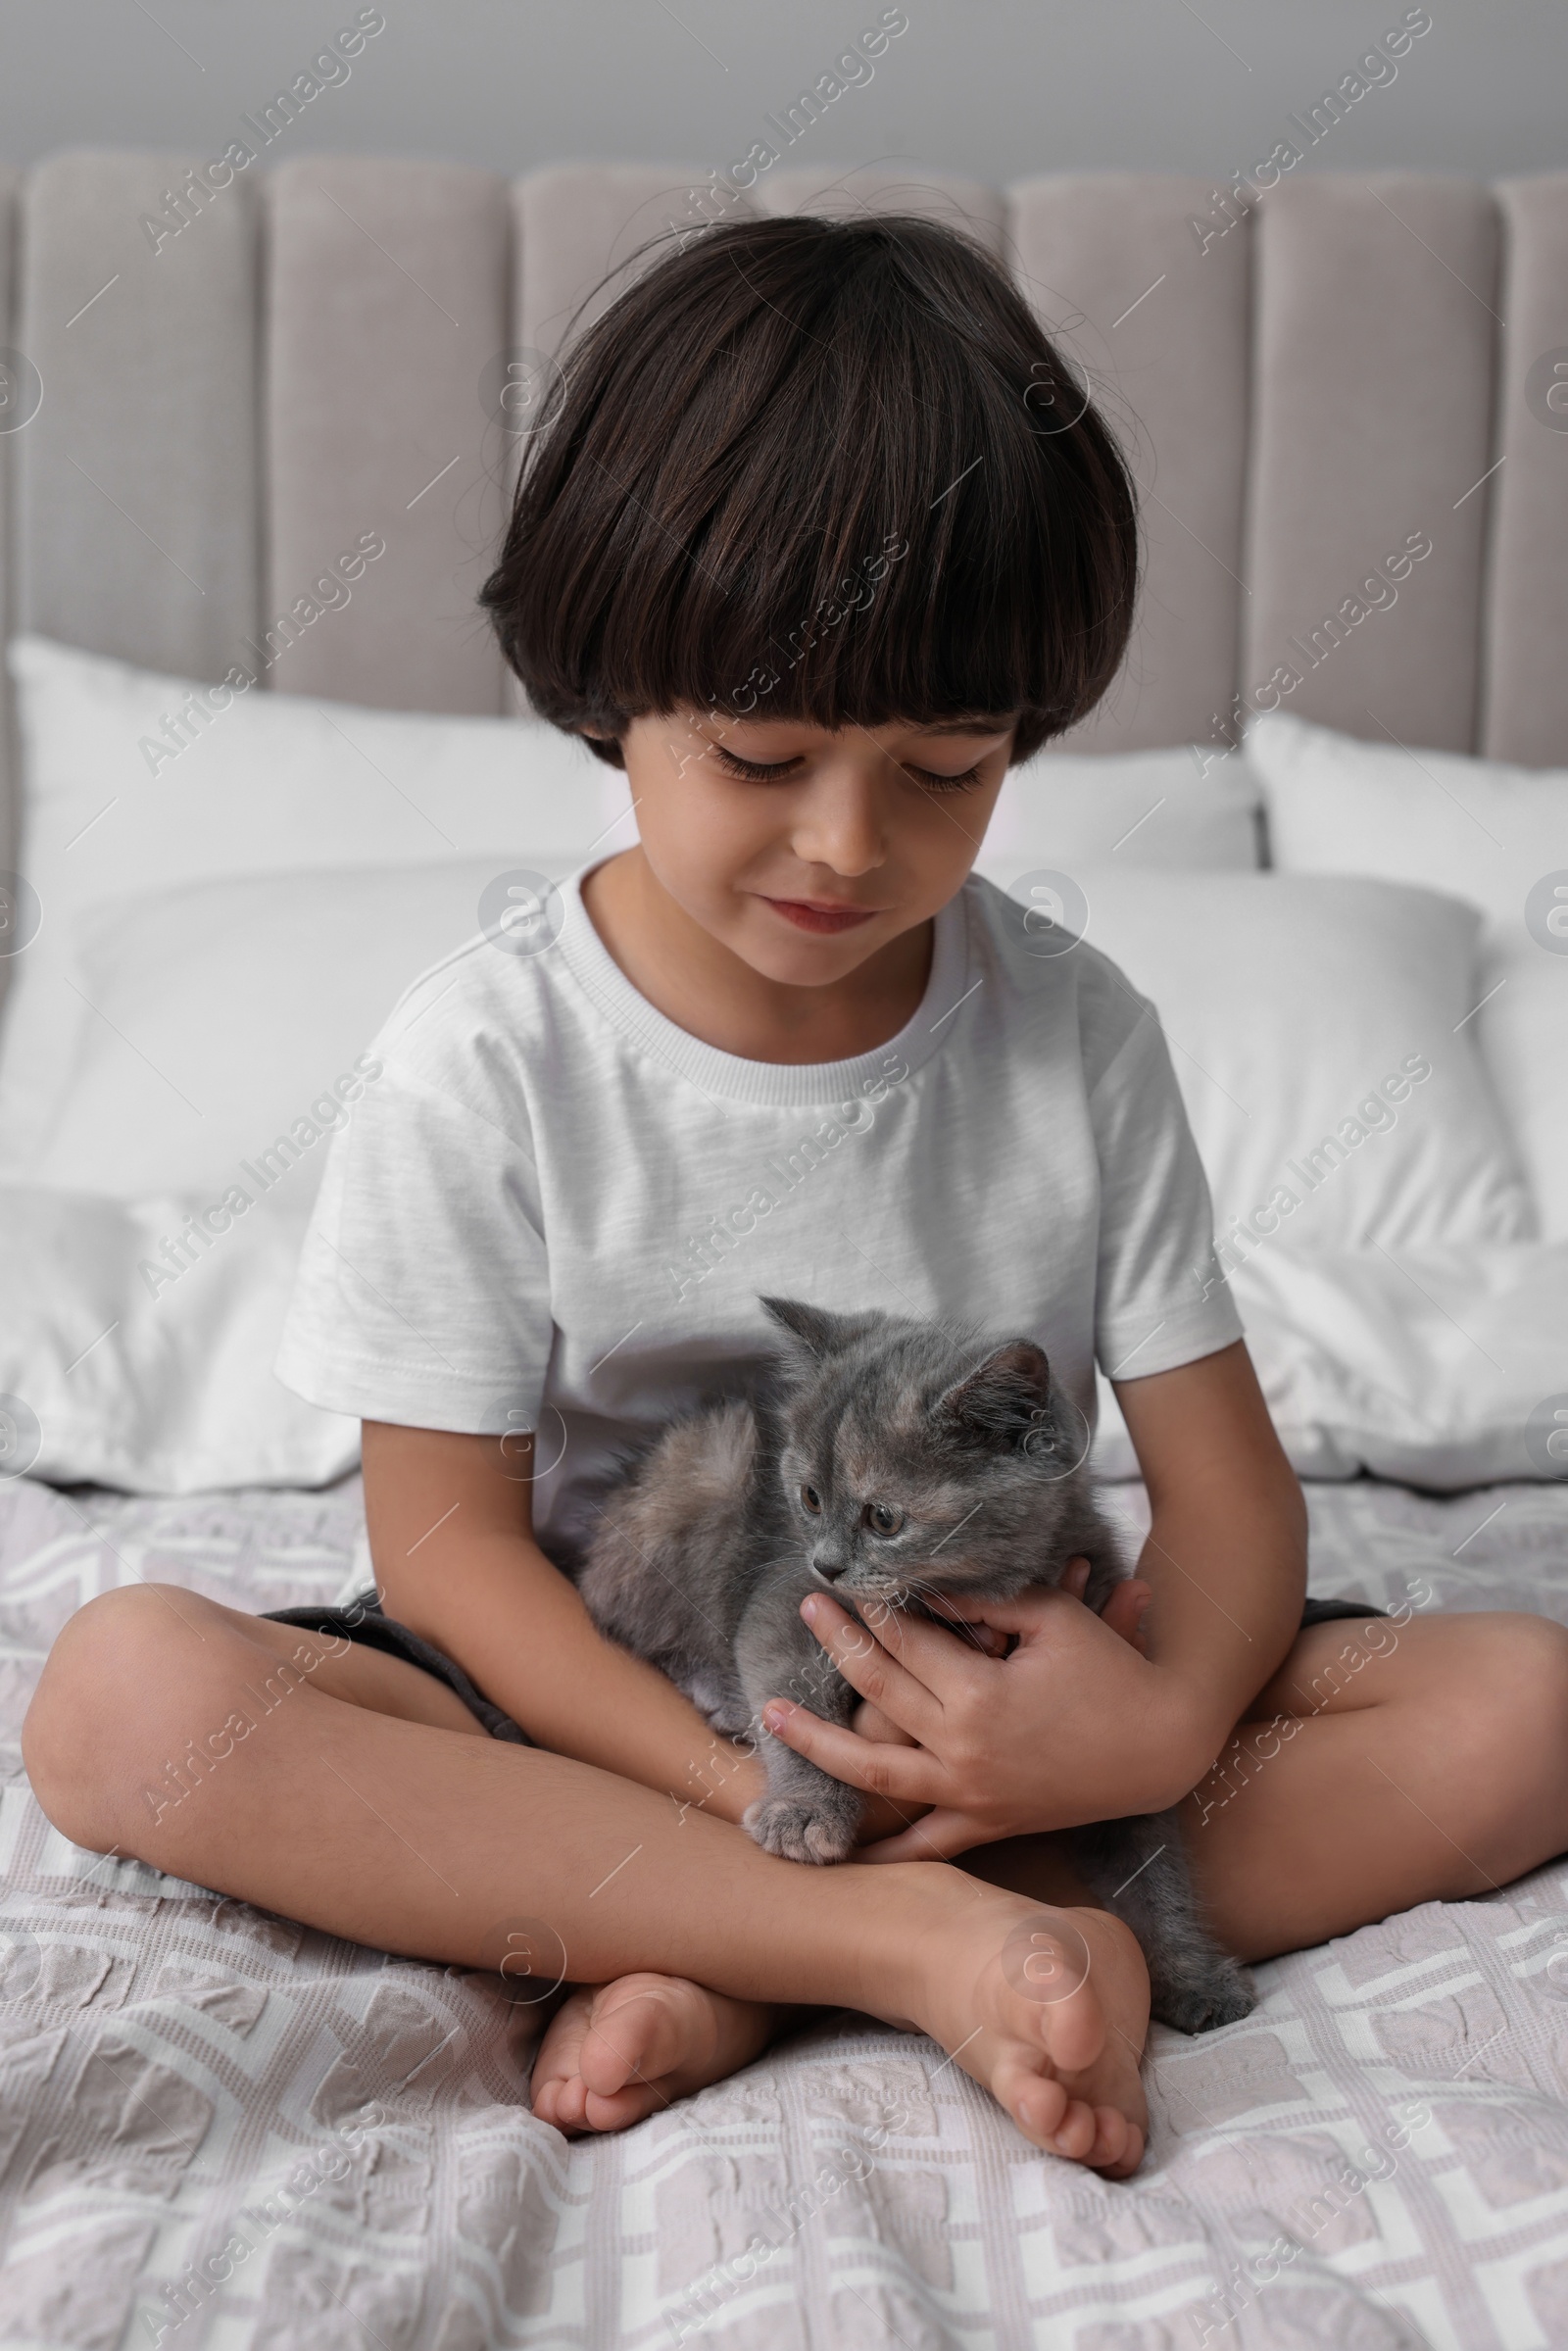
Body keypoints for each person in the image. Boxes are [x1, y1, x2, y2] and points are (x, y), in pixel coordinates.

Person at [24, 217, 1568, 2183]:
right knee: (123, 1701)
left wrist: (1154, 1731)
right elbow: (441, 1557)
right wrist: (747, 1784)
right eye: (761, 755)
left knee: (1519, 1698)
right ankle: (882, 1935)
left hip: (1008, 1690)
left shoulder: (1075, 1031)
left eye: (943, 768)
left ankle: (734, 1951)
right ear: (608, 692)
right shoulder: (487, 1055)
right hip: (609, 1700)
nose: (848, 844)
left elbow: (1232, 1493)